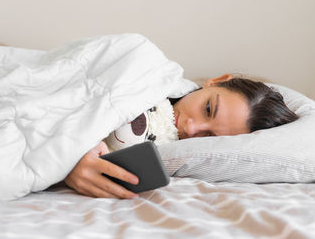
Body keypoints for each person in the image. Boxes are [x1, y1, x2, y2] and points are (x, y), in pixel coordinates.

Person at [64, 74, 299, 199]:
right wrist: (69, 156)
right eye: (208, 109)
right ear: (217, 82)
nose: (192, 128)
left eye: (209, 136)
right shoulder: (147, 76)